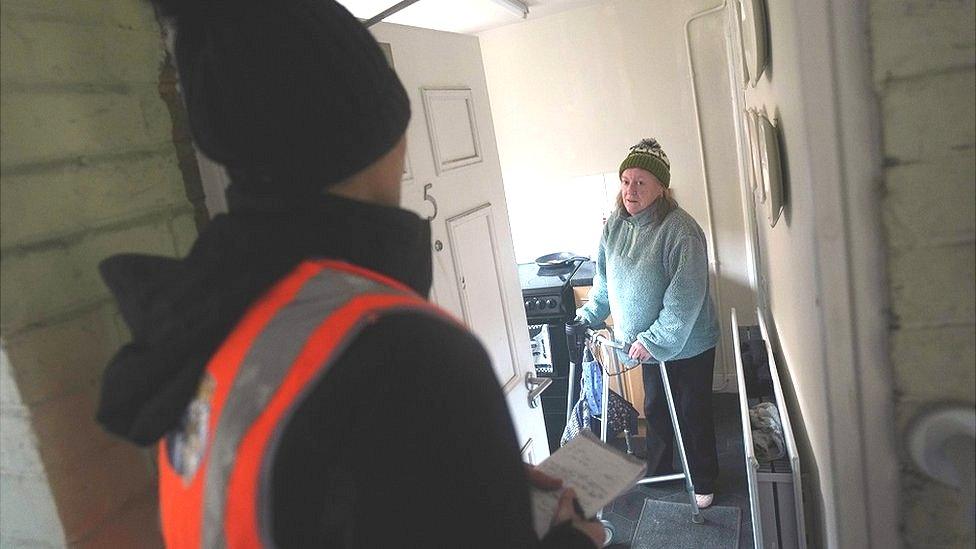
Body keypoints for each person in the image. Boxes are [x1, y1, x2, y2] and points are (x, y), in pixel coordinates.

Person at [94, 0, 603, 547]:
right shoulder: (411, 357)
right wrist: (574, 540)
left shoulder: (206, 323)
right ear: (382, 128)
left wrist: (468, 487)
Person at [575, 138, 721, 509]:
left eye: (641, 182)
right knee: (655, 407)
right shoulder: (615, 229)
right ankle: (659, 469)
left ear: (661, 188)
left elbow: (684, 298)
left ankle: (703, 479)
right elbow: (605, 283)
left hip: (686, 343)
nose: (630, 190)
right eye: (626, 181)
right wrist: (588, 315)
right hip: (645, 345)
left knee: (692, 410)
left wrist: (655, 340)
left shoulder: (681, 231)